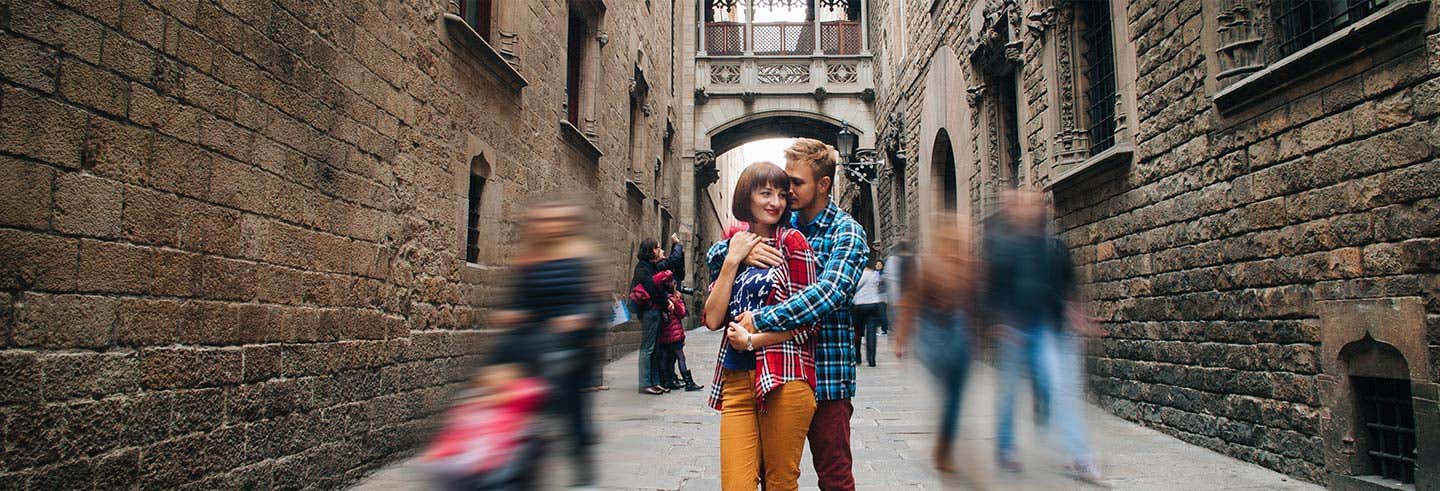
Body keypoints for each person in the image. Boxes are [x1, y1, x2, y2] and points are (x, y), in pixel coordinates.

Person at [708, 138, 869, 491]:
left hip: (827, 374)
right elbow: (717, 254)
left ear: (823, 184)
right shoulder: (782, 223)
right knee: (768, 475)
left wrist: (760, 321)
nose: (786, 191)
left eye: (795, 183)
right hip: (777, 370)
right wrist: (740, 255)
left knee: (834, 475)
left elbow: (828, 294)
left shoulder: (847, 232)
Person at [703, 161, 819, 491]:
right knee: (736, 485)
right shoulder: (732, 248)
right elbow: (712, 319)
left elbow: (807, 321)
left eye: (782, 195)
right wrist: (732, 259)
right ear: (746, 197)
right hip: (736, 381)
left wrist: (753, 340)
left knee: (780, 483)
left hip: (785, 378)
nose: (775, 202)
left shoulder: (793, 243)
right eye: (765, 193)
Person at [983, 188, 1105, 484]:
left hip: (1049, 328)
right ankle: (1005, 446)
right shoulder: (1004, 249)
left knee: (1061, 390)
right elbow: (992, 290)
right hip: (1015, 329)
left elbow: (1068, 286)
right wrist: (998, 323)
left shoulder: (1055, 248)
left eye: (1036, 205)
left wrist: (1079, 318)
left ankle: (1080, 456)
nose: (1032, 210)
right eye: (1025, 206)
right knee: (1010, 393)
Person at [486, 200, 604, 487]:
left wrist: (577, 319)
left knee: (572, 405)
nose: (550, 225)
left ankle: (578, 449)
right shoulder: (530, 260)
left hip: (568, 344)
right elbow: (519, 300)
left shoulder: (581, 258)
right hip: (534, 343)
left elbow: (593, 303)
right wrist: (511, 314)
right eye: (545, 220)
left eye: (557, 219)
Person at [892, 214, 979, 476]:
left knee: (954, 397)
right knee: (951, 397)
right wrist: (900, 340)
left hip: (960, 336)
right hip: (935, 336)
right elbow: (910, 302)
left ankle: (944, 447)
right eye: (952, 239)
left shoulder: (969, 266)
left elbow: (977, 303)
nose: (957, 244)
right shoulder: (928, 266)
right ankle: (944, 448)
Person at [655, 269, 704, 392]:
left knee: (667, 358)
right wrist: (678, 301)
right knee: (680, 357)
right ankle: (689, 383)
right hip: (674, 334)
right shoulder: (673, 299)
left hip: (664, 334)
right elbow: (681, 313)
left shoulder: (662, 299)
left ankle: (667, 381)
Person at [632, 238, 671, 394]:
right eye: (657, 247)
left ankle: (654, 381)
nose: (659, 249)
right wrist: (665, 303)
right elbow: (653, 289)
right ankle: (644, 383)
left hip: (655, 310)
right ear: (651, 250)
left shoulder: (652, 266)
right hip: (649, 311)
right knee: (647, 348)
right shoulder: (642, 268)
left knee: (654, 348)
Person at [849, 260, 885, 367]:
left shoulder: (857, 275)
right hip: (873, 305)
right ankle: (871, 360)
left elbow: (852, 288)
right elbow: (879, 286)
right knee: (871, 333)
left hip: (859, 305)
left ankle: (857, 358)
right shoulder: (875, 274)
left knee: (857, 333)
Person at [883, 240, 913, 335]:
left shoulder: (892, 260)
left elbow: (889, 278)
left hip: (897, 298)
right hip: (910, 297)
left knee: (899, 322)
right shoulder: (915, 259)